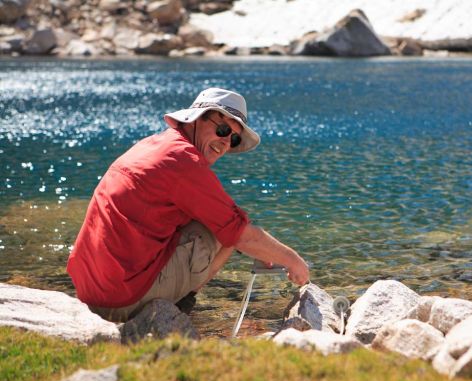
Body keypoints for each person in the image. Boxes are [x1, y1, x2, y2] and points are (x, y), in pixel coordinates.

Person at [66, 87, 310, 322]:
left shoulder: (156, 144)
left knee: (216, 220)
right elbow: (238, 233)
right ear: (196, 120)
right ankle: (181, 305)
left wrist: (264, 249)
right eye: (223, 129)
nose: (226, 142)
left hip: (89, 290)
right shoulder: (184, 161)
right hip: (119, 301)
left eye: (234, 138)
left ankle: (170, 299)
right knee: (221, 232)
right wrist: (293, 261)